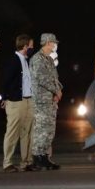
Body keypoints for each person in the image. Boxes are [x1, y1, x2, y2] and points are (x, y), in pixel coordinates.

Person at [1, 34, 36, 173]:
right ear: (25, 46)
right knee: (12, 132)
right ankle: (7, 162)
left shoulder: (28, 61)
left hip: (29, 100)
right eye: (31, 46)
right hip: (16, 101)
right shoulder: (13, 61)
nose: (33, 48)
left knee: (27, 133)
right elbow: (6, 81)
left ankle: (26, 161)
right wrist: (5, 97)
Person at [30, 33, 62, 170]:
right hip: (42, 100)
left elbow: (55, 78)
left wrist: (59, 90)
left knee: (49, 129)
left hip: (50, 99)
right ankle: (37, 157)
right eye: (54, 43)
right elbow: (41, 78)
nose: (55, 45)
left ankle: (44, 156)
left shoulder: (48, 59)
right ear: (48, 42)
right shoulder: (37, 59)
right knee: (41, 129)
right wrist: (55, 90)